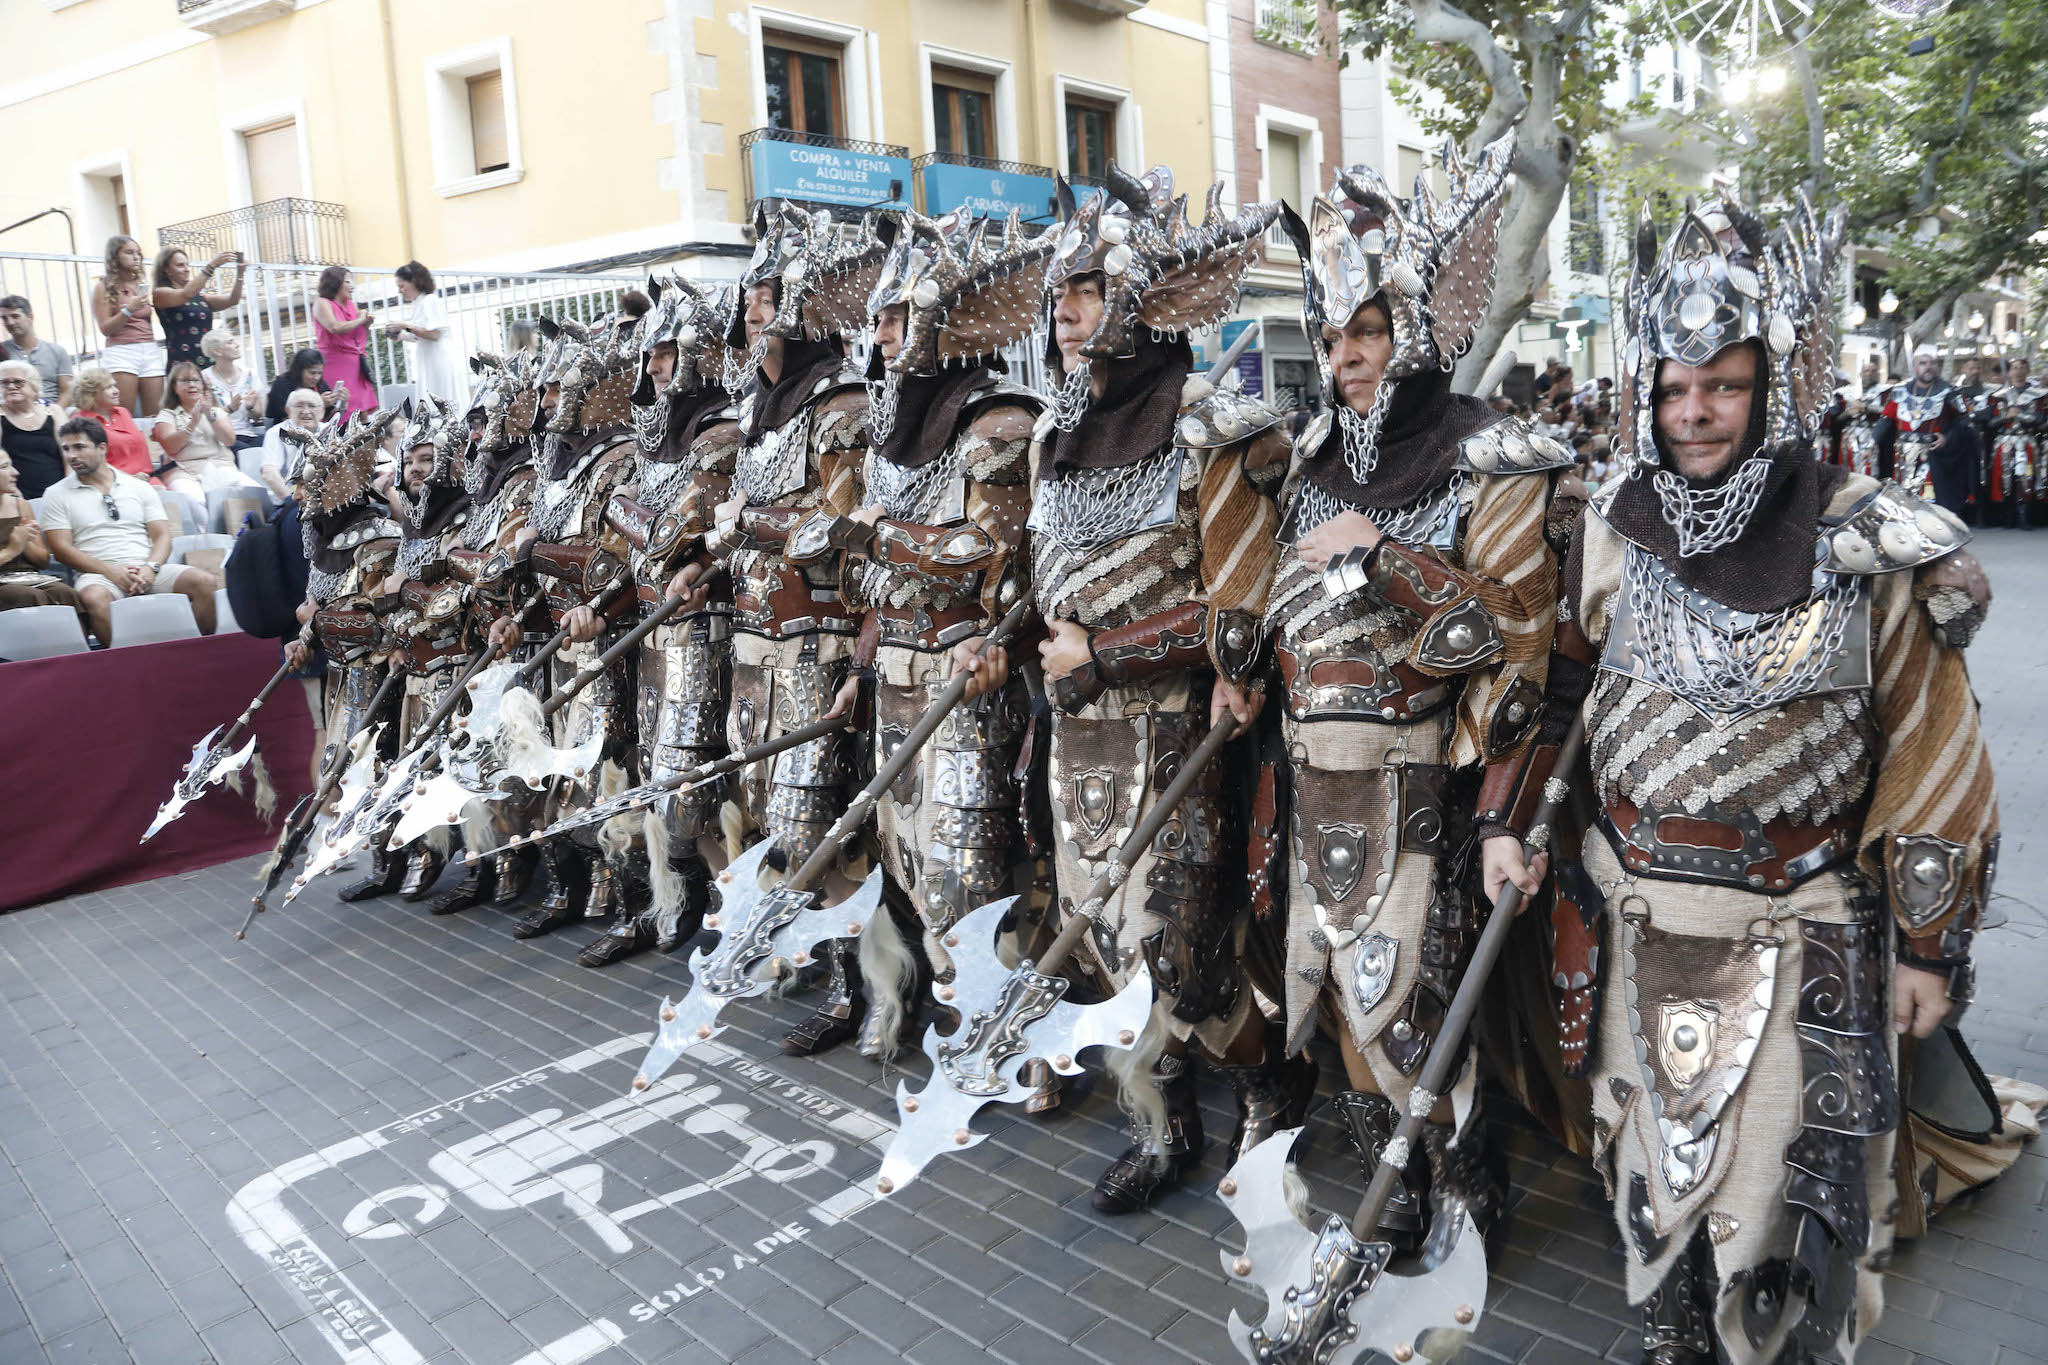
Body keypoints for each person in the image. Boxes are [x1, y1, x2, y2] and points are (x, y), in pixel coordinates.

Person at [1489, 195, 2019, 1365]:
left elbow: (1932, 751)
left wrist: (1926, 951)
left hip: (1803, 918)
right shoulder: (1611, 527)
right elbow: (1559, 693)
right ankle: (1673, 1322)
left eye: (1721, 387)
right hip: (1633, 907)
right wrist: (1509, 820)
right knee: (1650, 1155)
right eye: (1674, 390)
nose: (1694, 413)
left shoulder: (1861, 538)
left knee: (1788, 1188)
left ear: (1766, 390)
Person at [1259, 135, 1577, 1253]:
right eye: (1332, 334)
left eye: (1367, 332)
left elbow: (1505, 632)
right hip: (1311, 772)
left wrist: (1377, 554)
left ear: (1412, 333)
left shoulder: (1484, 452)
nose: (1345, 355)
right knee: (1334, 982)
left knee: (1416, 999)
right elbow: (1281, 613)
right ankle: (1384, 1182)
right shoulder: (1308, 461)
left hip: (1423, 778)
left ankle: (1462, 1178)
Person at [1023, 166, 1295, 1214]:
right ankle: (1160, 1122)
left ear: (1136, 302)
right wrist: (1004, 641)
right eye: (1060, 295)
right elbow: (1041, 584)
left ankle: (1270, 1088)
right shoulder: (1054, 435)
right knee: (1100, 939)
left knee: (1181, 952)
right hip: (1072, 737)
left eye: (1085, 292)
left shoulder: (1209, 425)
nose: (1066, 312)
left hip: (1175, 729)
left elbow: (1233, 613)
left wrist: (1102, 656)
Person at [784, 212, 1050, 1046]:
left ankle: (1008, 1039)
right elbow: (866, 565)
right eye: (882, 319)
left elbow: (986, 547)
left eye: (900, 316)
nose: (884, 334)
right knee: (900, 857)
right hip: (895, 664)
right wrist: (861, 661)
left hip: (964, 670)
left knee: (968, 875)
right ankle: (935, 1012)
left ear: (943, 322)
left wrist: (879, 536)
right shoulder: (894, 431)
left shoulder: (996, 422)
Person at [567, 276, 741, 966]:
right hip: (650, 636)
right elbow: (627, 545)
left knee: (698, 797)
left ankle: (744, 921)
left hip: (706, 634)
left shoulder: (719, 429)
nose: (655, 366)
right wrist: (599, 602)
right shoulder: (653, 442)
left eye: (667, 352)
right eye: (651, 355)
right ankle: (673, 907)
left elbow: (672, 535)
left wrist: (639, 525)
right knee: (652, 782)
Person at [483, 313, 642, 936]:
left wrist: (592, 602)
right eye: (546, 393)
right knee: (545, 768)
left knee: (600, 773)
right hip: (555, 643)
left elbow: (624, 559)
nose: (548, 406)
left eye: (559, 392)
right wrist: (518, 617)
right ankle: (572, 886)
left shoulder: (620, 461)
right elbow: (532, 563)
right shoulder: (556, 471)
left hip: (603, 639)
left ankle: (630, 901)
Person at [40, 417, 219, 643]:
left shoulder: (138, 487)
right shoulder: (56, 493)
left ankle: (198, 654)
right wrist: (110, 571)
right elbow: (61, 548)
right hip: (98, 574)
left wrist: (150, 567)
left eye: (79, 447)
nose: (71, 455)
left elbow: (162, 535)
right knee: (93, 597)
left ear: (102, 448)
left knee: (204, 582)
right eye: (66, 449)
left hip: (147, 569)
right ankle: (124, 668)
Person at [1876, 343, 1978, 514]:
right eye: (1923, 363)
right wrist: (1872, 442)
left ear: (1938, 366)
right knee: (1904, 498)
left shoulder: (1950, 392)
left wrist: (1947, 437)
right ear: (1915, 367)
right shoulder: (1900, 391)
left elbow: (1965, 422)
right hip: (1904, 455)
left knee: (1931, 500)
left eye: (1932, 363)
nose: (1928, 367)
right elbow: (1885, 420)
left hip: (1933, 454)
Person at [91, 235, 165, 418]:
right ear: (115, 256)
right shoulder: (104, 287)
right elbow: (105, 328)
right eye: (129, 252)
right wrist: (129, 310)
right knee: (122, 414)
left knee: (155, 416)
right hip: (122, 351)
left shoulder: (141, 285)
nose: (136, 257)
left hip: (149, 349)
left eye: (138, 253)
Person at [0, 449, 79, 614]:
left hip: (27, 576)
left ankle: (73, 640)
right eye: (5, 467)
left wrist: (26, 542)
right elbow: (14, 548)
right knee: (30, 597)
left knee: (66, 594)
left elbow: (43, 562)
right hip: (6, 583)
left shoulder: (21, 505)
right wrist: (12, 549)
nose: (15, 473)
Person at [153, 362, 249, 498]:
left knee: (253, 491)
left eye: (195, 380)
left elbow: (229, 441)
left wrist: (209, 415)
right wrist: (193, 423)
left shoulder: (216, 412)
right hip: (184, 472)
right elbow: (170, 447)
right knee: (195, 500)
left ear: (202, 385)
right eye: (184, 381)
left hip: (221, 467)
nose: (191, 385)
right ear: (174, 387)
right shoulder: (167, 415)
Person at [385, 261, 467, 409]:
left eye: (402, 286)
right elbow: (420, 336)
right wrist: (400, 335)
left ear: (415, 282)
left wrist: (406, 326)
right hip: (430, 360)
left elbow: (435, 334)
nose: (400, 291)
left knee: (443, 401)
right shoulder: (418, 304)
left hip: (440, 360)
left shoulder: (430, 300)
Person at [151, 248, 243, 371]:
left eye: (187, 264)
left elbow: (233, 300)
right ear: (166, 270)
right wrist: (212, 265)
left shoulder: (200, 296)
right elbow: (186, 294)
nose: (187, 269)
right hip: (182, 363)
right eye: (180, 265)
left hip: (209, 361)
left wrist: (241, 273)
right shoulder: (160, 293)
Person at [61, 368, 152, 479]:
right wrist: (129, 479)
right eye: (108, 387)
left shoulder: (123, 412)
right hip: (111, 483)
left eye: (114, 386)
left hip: (148, 478)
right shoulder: (81, 422)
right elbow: (88, 462)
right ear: (92, 394)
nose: (116, 391)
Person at [313, 267, 375, 419]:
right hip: (335, 363)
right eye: (347, 281)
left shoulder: (351, 306)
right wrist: (360, 319)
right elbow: (334, 327)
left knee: (362, 409)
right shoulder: (322, 303)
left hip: (355, 364)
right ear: (335, 283)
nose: (352, 286)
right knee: (340, 407)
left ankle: (363, 440)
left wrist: (365, 324)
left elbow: (358, 339)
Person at [0, 359, 65, 498]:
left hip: (60, 493)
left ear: (33, 386)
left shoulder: (53, 411)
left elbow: (69, 455)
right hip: (17, 496)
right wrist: (14, 495)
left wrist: (69, 489)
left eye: (18, 382)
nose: (11, 386)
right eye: (5, 383)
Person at [0, 295, 74, 406]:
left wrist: (53, 413)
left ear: (30, 317)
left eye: (15, 316)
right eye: (4, 318)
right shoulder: (2, 351)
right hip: (13, 411)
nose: (10, 322)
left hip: (53, 408)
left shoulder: (57, 351)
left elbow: (67, 391)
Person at [251, 388, 324, 499]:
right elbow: (269, 473)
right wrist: (292, 500)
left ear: (322, 411)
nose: (306, 411)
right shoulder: (276, 433)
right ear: (288, 410)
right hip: (291, 497)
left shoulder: (331, 430)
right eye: (300, 406)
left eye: (312, 406)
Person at [201, 329, 266, 450]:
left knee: (267, 443)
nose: (237, 345)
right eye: (230, 342)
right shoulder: (204, 378)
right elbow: (204, 418)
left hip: (248, 435)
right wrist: (229, 409)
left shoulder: (249, 374)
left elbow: (258, 417)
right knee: (244, 451)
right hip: (220, 439)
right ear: (217, 351)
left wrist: (250, 407)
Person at [266, 347, 342, 425]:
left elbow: (329, 417)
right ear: (299, 370)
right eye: (312, 373)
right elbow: (286, 415)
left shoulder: (320, 384)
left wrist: (340, 403)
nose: (316, 377)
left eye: (319, 373)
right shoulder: (281, 384)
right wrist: (319, 403)